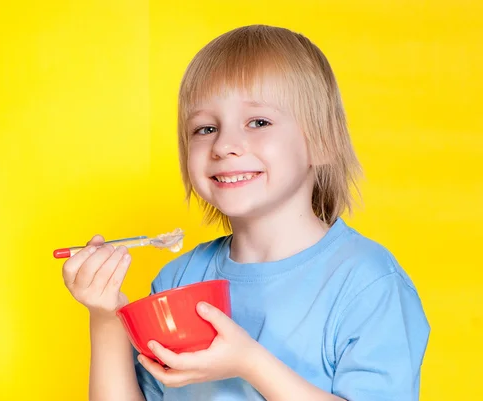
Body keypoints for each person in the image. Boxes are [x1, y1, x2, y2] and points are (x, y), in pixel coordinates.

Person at [61, 24, 430, 401]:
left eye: (258, 122)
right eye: (205, 128)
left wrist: (249, 363)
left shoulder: (368, 283)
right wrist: (106, 319)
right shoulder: (177, 280)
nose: (224, 145)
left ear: (323, 142)